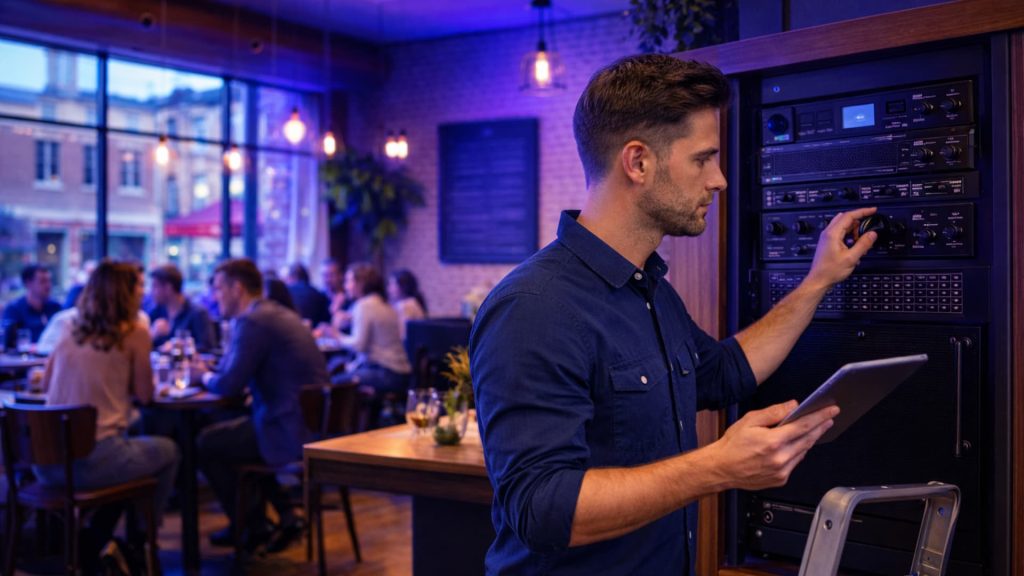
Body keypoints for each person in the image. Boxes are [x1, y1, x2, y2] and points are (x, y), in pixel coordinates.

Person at [469, 54, 878, 576]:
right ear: (638, 163)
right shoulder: (533, 308)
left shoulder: (651, 289)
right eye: (702, 159)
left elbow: (723, 372)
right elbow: (541, 510)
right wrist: (718, 466)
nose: (720, 180)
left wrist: (818, 280)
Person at [35, 260, 179, 572]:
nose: (144, 293)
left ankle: (96, 538)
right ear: (126, 294)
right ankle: (140, 542)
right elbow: (145, 395)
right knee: (167, 451)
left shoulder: (66, 326)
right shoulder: (136, 332)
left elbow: (45, 384)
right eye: (139, 287)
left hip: (45, 463)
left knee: (127, 444)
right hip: (90, 463)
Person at [196, 258, 329, 553]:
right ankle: (278, 516)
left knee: (208, 442)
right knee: (231, 435)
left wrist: (201, 375)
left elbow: (229, 384)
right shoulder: (275, 313)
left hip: (286, 428)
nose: (215, 296)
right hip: (305, 424)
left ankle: (251, 525)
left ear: (237, 288)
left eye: (219, 289)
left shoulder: (253, 321)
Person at [337, 263, 411, 403]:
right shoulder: (383, 303)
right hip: (401, 373)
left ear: (361, 283)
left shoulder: (364, 305)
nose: (346, 286)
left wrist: (336, 336)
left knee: (336, 382)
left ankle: (348, 425)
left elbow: (359, 346)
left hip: (388, 373)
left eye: (348, 281)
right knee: (342, 370)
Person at [147, 264, 216, 352]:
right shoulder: (156, 312)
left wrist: (181, 347)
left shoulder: (198, 313)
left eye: (155, 286)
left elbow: (208, 348)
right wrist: (152, 335)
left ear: (168, 288)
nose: (151, 292)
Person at [2, 264, 62, 341]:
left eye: (49, 281)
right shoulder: (14, 310)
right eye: (42, 281)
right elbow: (8, 342)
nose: (48, 285)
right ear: (28, 283)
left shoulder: (56, 307)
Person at [285, 262, 331, 327]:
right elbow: (326, 323)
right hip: (314, 334)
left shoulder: (286, 293)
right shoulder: (319, 294)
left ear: (292, 277)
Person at [387, 269, 427, 340]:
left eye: (392, 284)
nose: (389, 289)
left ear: (403, 287)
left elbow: (402, 335)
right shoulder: (412, 302)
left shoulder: (405, 306)